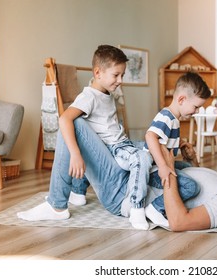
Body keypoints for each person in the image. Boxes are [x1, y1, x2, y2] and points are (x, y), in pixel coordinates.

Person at [17, 118, 217, 231]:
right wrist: (183, 160)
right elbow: (189, 181)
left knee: (75, 123)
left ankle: (57, 203)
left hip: (124, 192)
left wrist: (165, 166)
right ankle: (76, 193)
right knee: (94, 126)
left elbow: (178, 221)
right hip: (134, 176)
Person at [17, 45, 153, 230]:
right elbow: (65, 119)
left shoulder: (107, 94)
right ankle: (56, 205)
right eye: (116, 75)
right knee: (75, 122)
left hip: (118, 148)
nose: (120, 80)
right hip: (112, 160)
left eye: (122, 75)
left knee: (152, 144)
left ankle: (78, 191)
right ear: (98, 72)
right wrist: (75, 154)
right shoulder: (89, 96)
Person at [144, 72, 211, 227]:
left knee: (189, 168)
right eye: (196, 107)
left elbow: (162, 138)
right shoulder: (167, 117)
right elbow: (150, 136)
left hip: (163, 164)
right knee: (191, 186)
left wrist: (178, 143)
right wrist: (162, 167)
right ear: (181, 99)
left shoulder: (174, 118)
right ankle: (155, 208)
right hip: (153, 169)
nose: (196, 111)